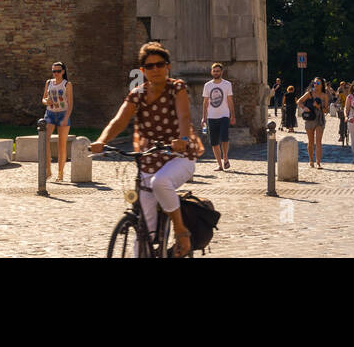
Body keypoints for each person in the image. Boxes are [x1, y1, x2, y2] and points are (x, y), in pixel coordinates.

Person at [90, 42, 204, 257]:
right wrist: (101, 140)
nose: (155, 70)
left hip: (179, 155)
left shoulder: (176, 88)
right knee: (144, 229)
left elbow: (184, 116)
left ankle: (181, 231)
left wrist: (183, 138)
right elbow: (119, 120)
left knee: (160, 183)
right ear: (142, 70)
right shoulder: (138, 94)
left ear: (167, 66)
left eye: (159, 64)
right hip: (149, 159)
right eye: (149, 66)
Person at [42, 61, 73, 182]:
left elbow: (70, 103)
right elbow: (43, 99)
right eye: (54, 71)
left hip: (62, 114)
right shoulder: (49, 82)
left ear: (63, 72)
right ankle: (48, 169)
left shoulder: (67, 84)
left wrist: (66, 117)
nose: (56, 73)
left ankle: (60, 173)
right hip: (49, 114)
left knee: (62, 145)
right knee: (45, 141)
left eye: (58, 71)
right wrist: (46, 101)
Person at [201, 62, 235, 171]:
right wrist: (203, 117)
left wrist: (232, 115)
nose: (216, 73)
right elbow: (205, 102)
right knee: (214, 142)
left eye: (218, 71)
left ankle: (225, 157)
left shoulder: (227, 84)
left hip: (224, 115)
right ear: (212, 72)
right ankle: (220, 164)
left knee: (225, 138)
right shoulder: (207, 85)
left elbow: (230, 100)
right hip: (211, 117)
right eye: (214, 71)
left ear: (221, 72)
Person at [297, 78, 330, 169]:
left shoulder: (324, 96)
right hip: (310, 118)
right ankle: (311, 160)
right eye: (315, 82)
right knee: (311, 142)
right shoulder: (309, 93)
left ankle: (318, 162)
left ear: (322, 84)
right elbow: (299, 101)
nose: (316, 84)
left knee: (318, 142)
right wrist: (304, 108)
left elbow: (326, 110)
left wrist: (319, 106)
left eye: (318, 82)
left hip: (319, 119)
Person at [336, 81, 350, 146]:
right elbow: (338, 100)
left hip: (350, 110)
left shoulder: (351, 95)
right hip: (342, 110)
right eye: (346, 88)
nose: (347, 89)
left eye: (348, 88)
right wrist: (335, 104)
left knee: (349, 122)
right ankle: (341, 135)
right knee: (342, 122)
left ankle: (349, 133)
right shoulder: (341, 95)